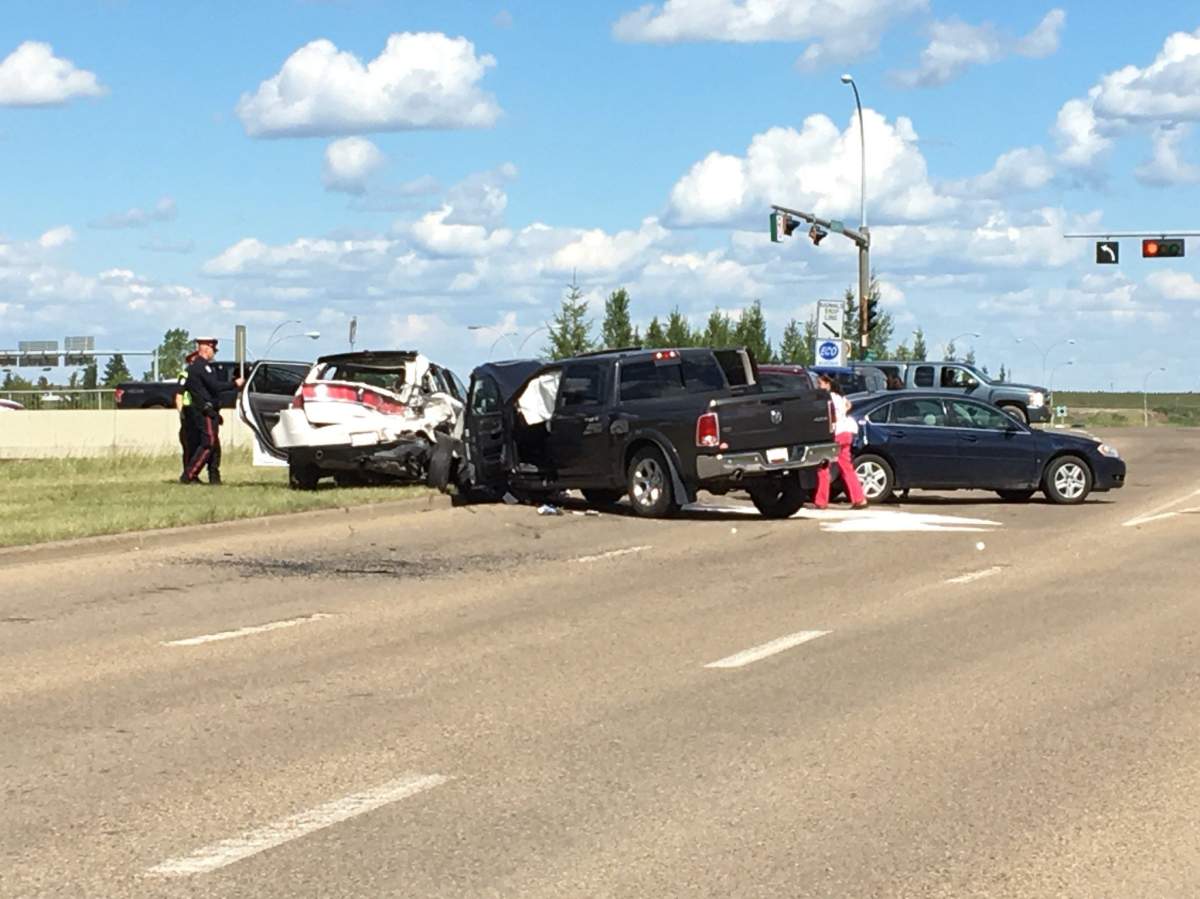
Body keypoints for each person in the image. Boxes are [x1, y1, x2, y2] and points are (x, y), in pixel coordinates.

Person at [181, 337, 243, 485]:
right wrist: (234, 384)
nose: (214, 353)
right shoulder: (199, 367)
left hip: (210, 410)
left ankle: (214, 478)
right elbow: (214, 386)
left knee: (214, 445)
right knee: (208, 442)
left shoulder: (204, 367)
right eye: (213, 350)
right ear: (206, 349)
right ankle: (189, 474)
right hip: (204, 410)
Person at [813, 373, 868, 510]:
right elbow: (848, 406)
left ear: (827, 384)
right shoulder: (841, 398)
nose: (818, 386)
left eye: (820, 384)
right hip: (846, 433)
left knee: (823, 466)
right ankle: (859, 499)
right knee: (846, 468)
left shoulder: (827, 398)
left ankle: (821, 501)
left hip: (835, 434)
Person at [176, 350, 200, 475]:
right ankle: (187, 472)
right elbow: (179, 395)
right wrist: (181, 413)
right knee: (188, 444)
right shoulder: (185, 374)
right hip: (188, 410)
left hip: (198, 411)